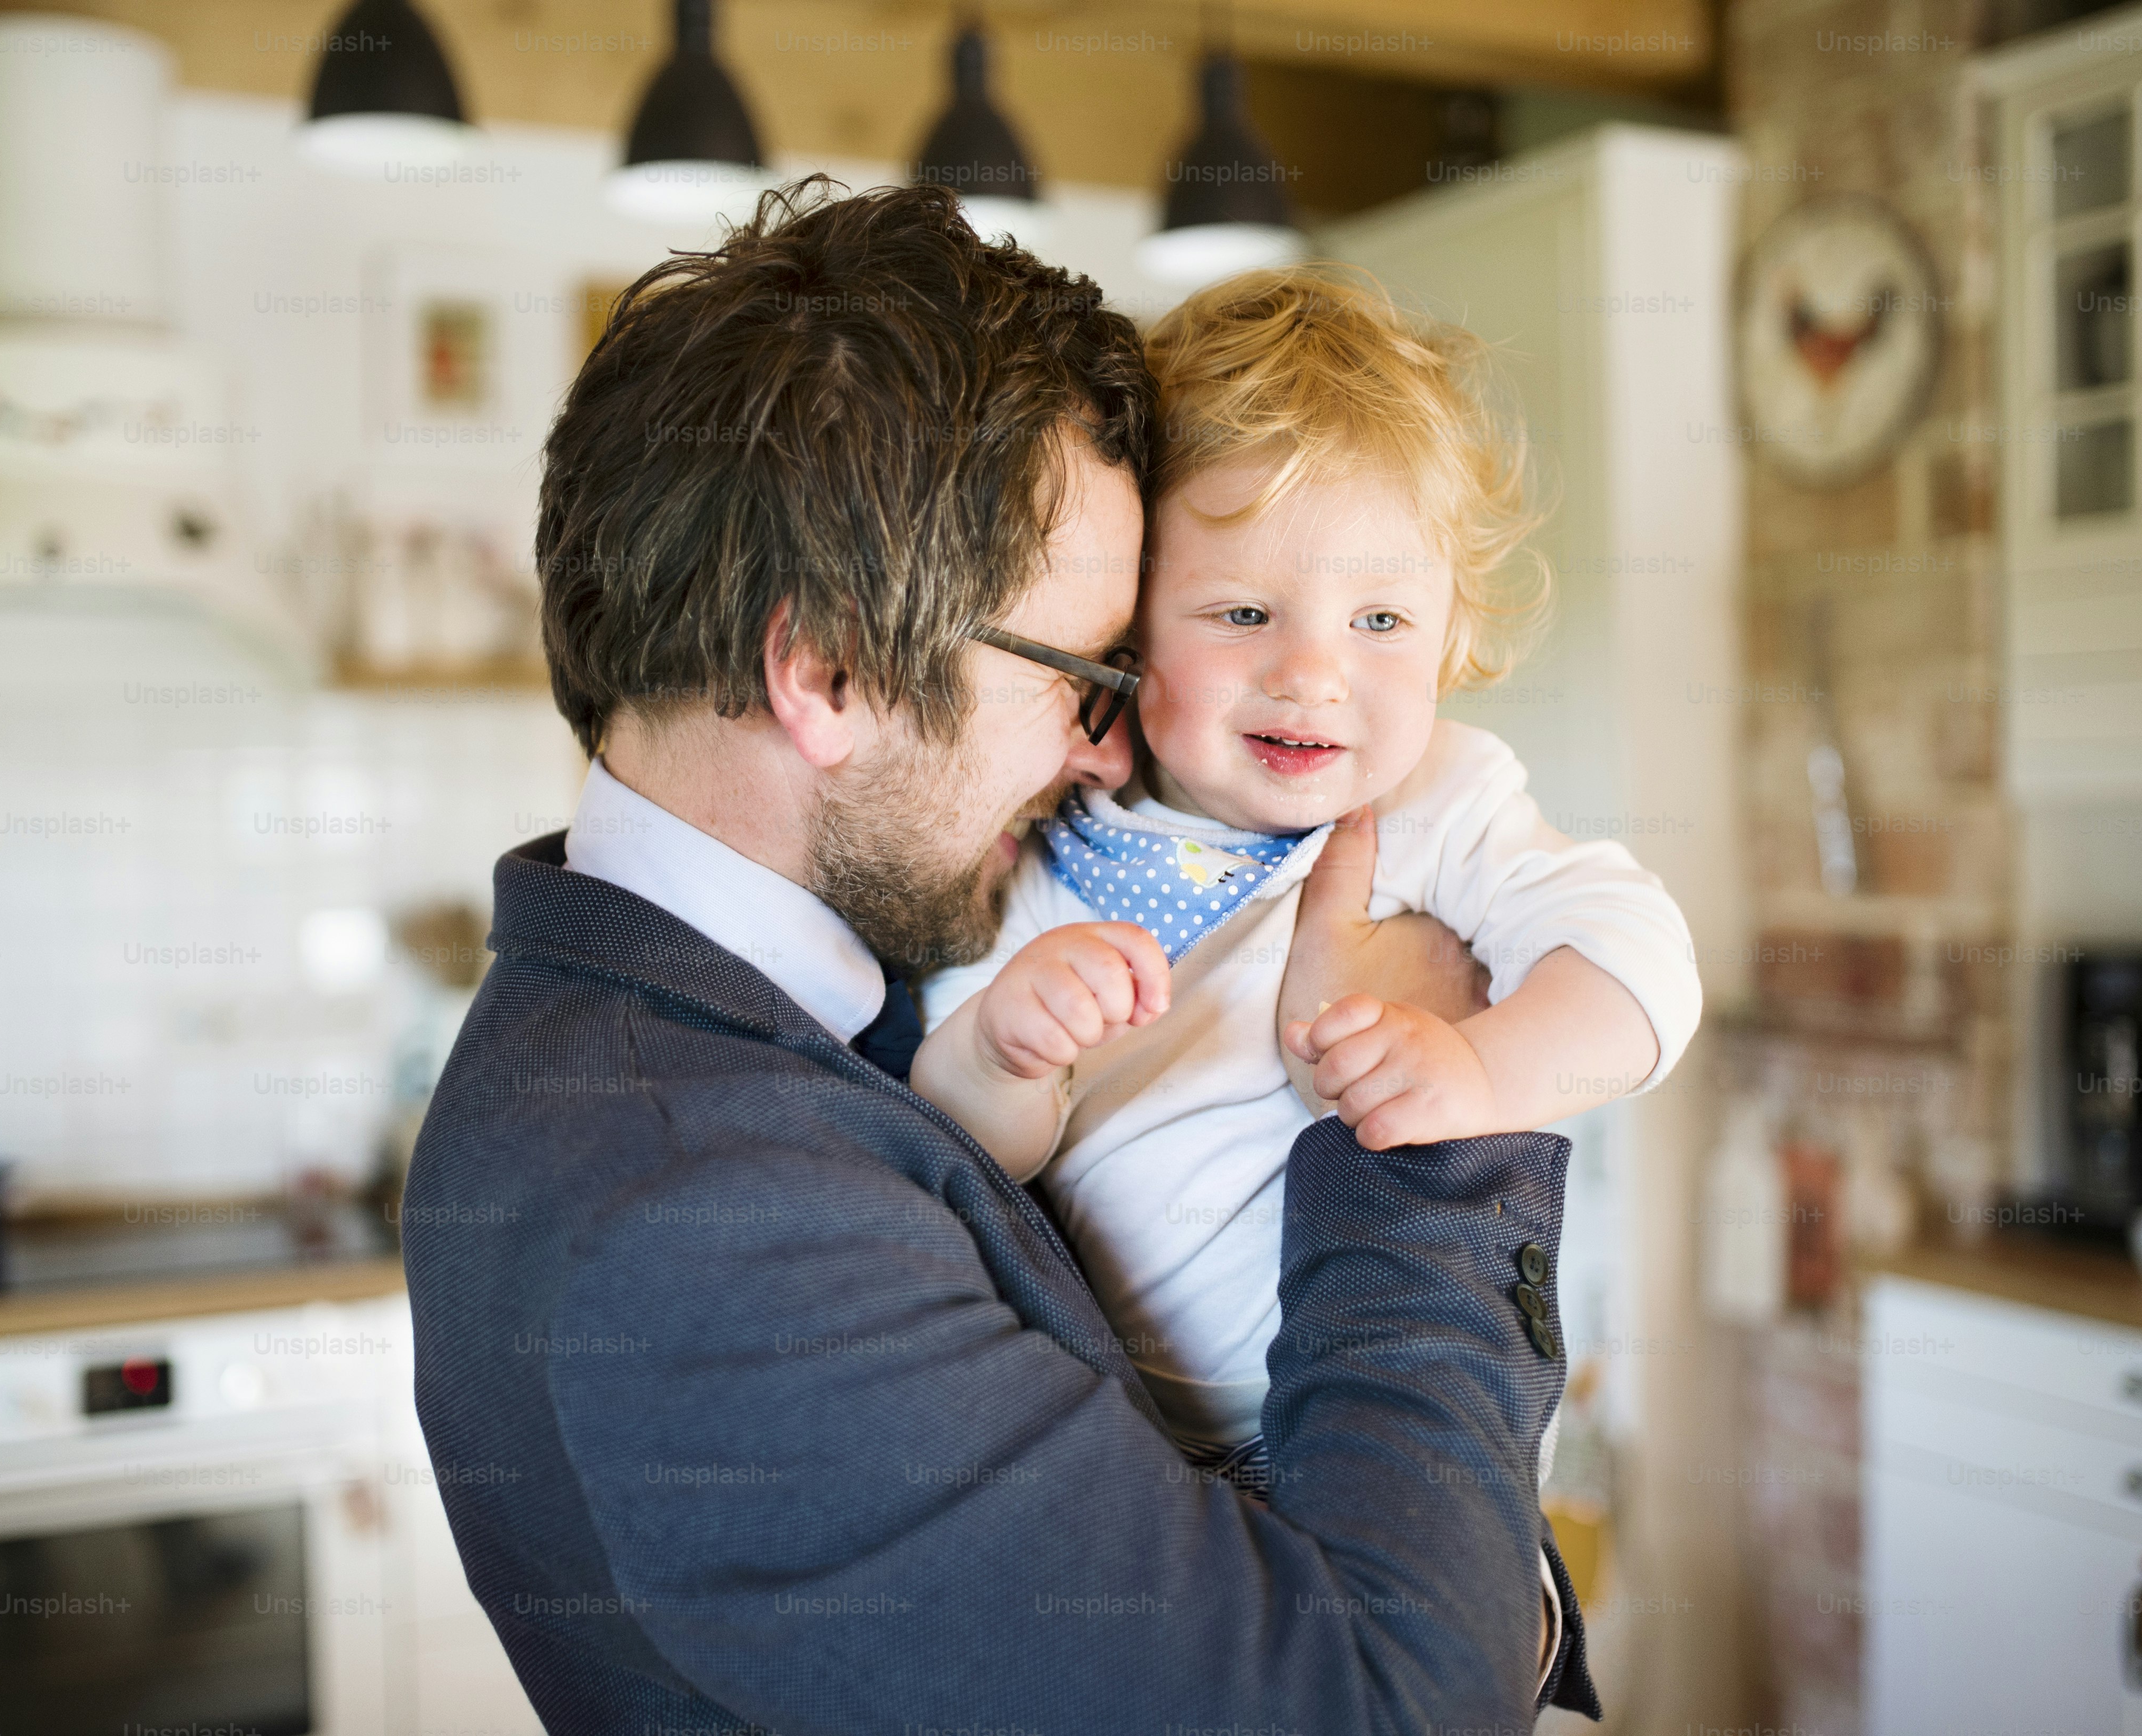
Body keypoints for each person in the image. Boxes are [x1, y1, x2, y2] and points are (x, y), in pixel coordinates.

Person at [403, 180, 1600, 1735]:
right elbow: (1374, 1712)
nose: (1113, 759)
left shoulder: (727, 1019)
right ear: (826, 668)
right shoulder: (704, 1226)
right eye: (1084, 674)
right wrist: (1421, 1121)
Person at [910, 267, 1703, 1478]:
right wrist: (1000, 1051)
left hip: (1352, 1431)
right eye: (1241, 614)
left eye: (1379, 622)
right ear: (1126, 627)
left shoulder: (1434, 799)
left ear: (1453, 630)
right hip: (1103, 1444)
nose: (1314, 675)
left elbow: (1646, 970)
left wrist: (1477, 1068)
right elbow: (970, 1153)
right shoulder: (1048, 828)